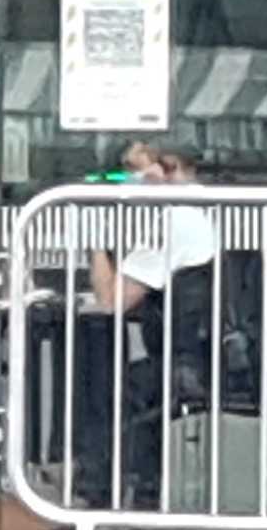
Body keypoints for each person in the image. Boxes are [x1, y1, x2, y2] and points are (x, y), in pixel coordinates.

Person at [68, 141, 220, 508]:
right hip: (221, 354)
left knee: (104, 384)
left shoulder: (175, 220)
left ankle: (97, 497)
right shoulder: (217, 208)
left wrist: (94, 237)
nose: (127, 183)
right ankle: (141, 493)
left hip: (187, 364)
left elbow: (111, 301)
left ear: (166, 170)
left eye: (133, 171)